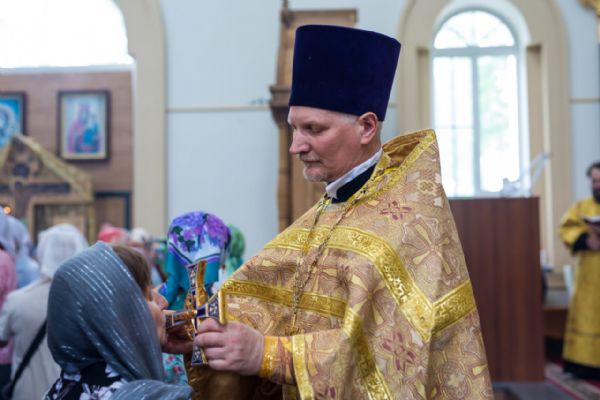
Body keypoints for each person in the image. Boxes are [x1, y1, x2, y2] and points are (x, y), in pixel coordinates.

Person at [184, 25, 492, 399]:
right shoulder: (329, 208)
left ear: (366, 127)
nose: (296, 146)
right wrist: (194, 332)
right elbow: (268, 302)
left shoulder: (409, 224)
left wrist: (266, 354)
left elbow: (391, 361)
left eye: (313, 129)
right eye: (294, 128)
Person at [45, 242, 191, 399]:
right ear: (120, 319)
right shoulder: (149, 397)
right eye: (149, 296)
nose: (164, 303)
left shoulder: (57, 392)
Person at [0, 224, 87, 400]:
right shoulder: (90, 303)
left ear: (41, 253)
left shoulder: (19, 300)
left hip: (27, 393)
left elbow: (2, 338)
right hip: (76, 394)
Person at [559, 161, 600, 379]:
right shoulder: (581, 207)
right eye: (594, 181)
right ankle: (583, 366)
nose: (597, 185)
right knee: (586, 314)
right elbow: (566, 228)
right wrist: (586, 239)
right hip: (589, 274)